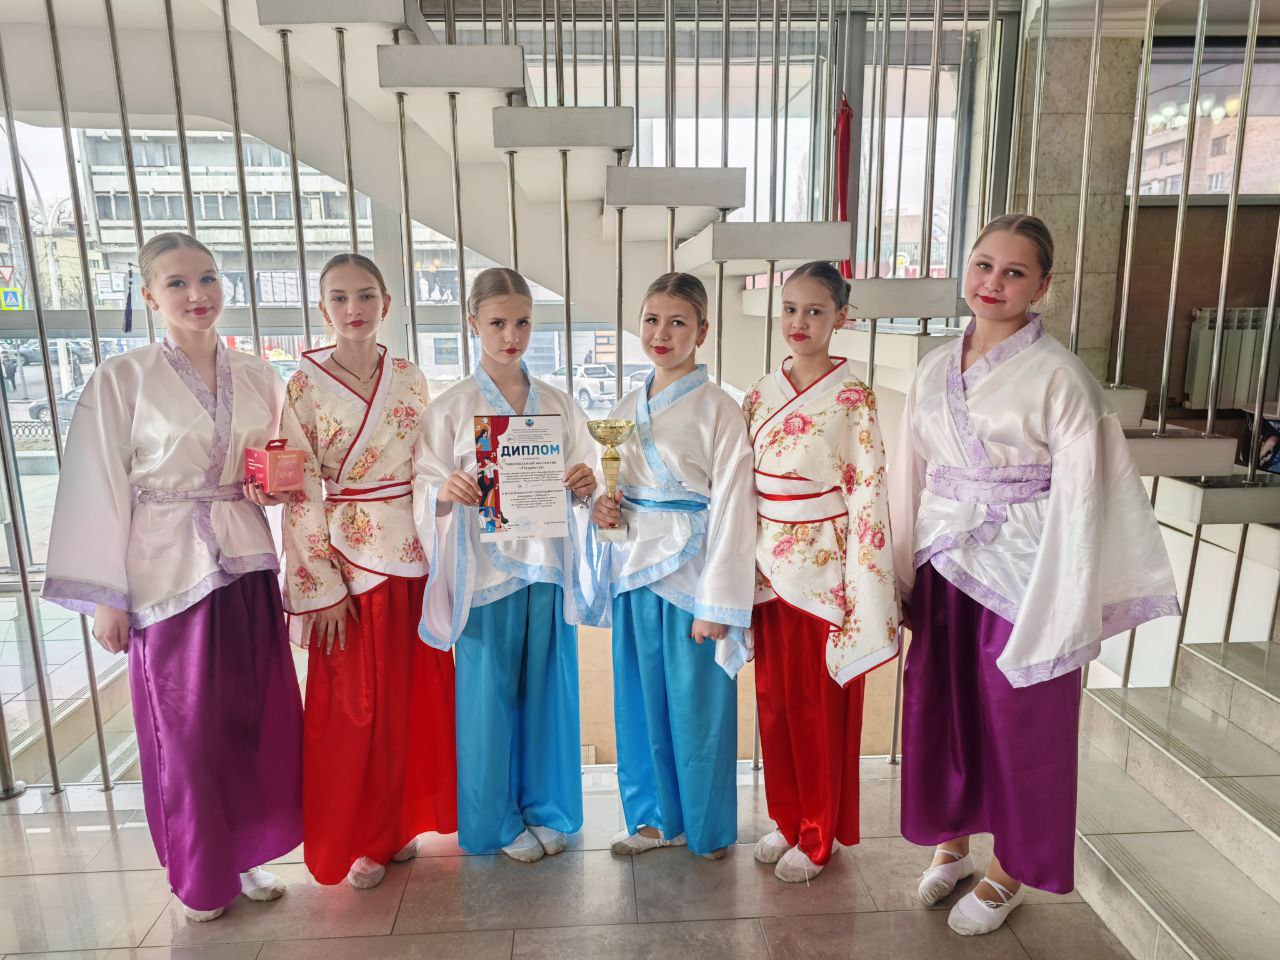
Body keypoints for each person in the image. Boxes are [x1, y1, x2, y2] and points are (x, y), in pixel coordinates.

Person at [887, 214, 1179, 935]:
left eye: (1014, 272)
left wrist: (1070, 593)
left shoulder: (1062, 377)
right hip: (942, 556)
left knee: (1021, 719)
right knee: (942, 704)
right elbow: (908, 472)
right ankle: (952, 841)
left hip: (1026, 568)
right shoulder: (932, 366)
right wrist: (897, 572)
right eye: (983, 265)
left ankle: (1011, 870)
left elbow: (1088, 494)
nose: (993, 283)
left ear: (1042, 285)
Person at [41, 232, 302, 922]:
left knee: (248, 717)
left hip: (244, 560)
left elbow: (277, 459)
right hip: (163, 574)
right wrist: (107, 596)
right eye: (178, 283)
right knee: (186, 734)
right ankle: (199, 872)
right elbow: (95, 485)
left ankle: (243, 854)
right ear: (149, 296)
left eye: (208, 278)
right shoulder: (122, 379)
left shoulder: (258, 376)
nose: (197, 295)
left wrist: (273, 486)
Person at [278, 254, 456, 890]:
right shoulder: (302, 384)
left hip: (411, 549)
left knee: (412, 696)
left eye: (365, 295)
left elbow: (430, 462)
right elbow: (300, 489)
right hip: (347, 555)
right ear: (322, 307)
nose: (353, 309)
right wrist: (321, 584)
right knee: (354, 705)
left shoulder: (408, 376)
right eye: (338, 297)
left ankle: (399, 823)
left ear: (387, 302)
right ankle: (360, 835)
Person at [414, 267, 597, 862]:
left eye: (522, 323)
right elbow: (423, 485)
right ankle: (494, 822)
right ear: (472, 322)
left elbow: (588, 475)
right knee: (486, 699)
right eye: (497, 323)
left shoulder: (559, 404)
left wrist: (583, 482)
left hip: (546, 568)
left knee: (549, 692)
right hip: (483, 574)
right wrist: (447, 490)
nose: (511, 336)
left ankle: (549, 809)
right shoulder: (449, 408)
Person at [590, 272, 755, 861]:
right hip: (635, 568)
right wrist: (602, 508)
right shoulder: (623, 408)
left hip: (694, 575)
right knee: (639, 702)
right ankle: (655, 818)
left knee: (697, 704)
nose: (662, 334)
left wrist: (719, 602)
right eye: (652, 320)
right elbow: (612, 490)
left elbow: (734, 505)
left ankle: (706, 827)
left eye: (677, 322)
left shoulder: (721, 410)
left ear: (702, 332)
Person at [743, 261, 899, 883]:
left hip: (826, 567)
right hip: (766, 561)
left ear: (842, 317)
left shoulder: (853, 396)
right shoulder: (760, 391)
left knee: (817, 705)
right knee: (775, 701)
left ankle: (818, 834)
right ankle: (787, 818)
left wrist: (865, 583)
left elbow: (869, 490)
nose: (799, 322)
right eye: (790, 309)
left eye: (815, 311)